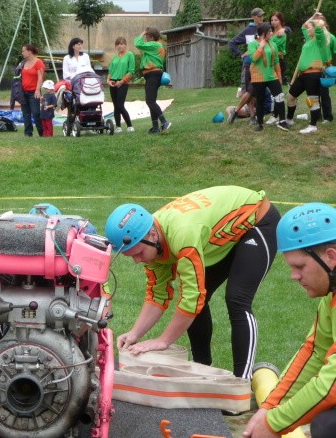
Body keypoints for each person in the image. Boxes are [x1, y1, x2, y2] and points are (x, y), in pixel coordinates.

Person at [105, 186, 280, 379]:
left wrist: (164, 340)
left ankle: (242, 383)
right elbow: (157, 295)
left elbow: (192, 296)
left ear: (153, 235)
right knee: (199, 300)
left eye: (138, 254)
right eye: (131, 257)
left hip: (256, 221)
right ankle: (202, 371)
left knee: (236, 299)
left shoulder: (182, 234)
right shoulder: (150, 241)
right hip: (218, 236)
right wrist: (134, 333)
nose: (137, 261)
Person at [243, 203, 336, 438]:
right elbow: (315, 352)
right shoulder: (331, 299)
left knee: (328, 425)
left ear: (331, 257)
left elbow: (333, 383)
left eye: (299, 266)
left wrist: (274, 424)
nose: (294, 276)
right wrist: (268, 407)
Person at [285, 17, 329, 134]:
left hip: (314, 74)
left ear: (315, 29)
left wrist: (318, 21)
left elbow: (319, 28)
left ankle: (313, 126)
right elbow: (303, 25)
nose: (308, 29)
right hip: (303, 75)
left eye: (310, 28)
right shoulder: (309, 40)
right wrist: (313, 17)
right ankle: (289, 120)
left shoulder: (320, 40)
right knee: (290, 97)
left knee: (313, 101)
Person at [245, 22, 288, 131]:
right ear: (264, 33)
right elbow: (254, 59)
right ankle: (260, 123)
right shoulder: (253, 44)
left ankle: (282, 121)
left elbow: (277, 61)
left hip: (272, 76)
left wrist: (279, 76)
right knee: (260, 100)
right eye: (269, 31)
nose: (272, 33)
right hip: (258, 77)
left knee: (279, 97)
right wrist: (261, 46)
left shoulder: (273, 44)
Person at [228, 8, 265, 121]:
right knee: (249, 90)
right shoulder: (247, 31)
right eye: (259, 16)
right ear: (253, 17)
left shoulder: (265, 28)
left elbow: (283, 28)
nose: (262, 18)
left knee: (254, 91)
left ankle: (237, 110)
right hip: (249, 63)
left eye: (262, 16)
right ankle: (252, 117)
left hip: (261, 64)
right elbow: (232, 43)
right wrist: (241, 54)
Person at [134, 27, 171, 133]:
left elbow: (137, 43)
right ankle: (155, 127)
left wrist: (142, 32)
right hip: (154, 75)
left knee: (149, 101)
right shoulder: (157, 46)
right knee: (152, 101)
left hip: (152, 74)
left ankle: (164, 122)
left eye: (147, 36)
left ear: (152, 37)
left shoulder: (154, 44)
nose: (145, 38)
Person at [107, 36, 135, 133]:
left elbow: (131, 71)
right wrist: (108, 80)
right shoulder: (114, 57)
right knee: (115, 106)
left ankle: (129, 125)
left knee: (120, 105)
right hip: (113, 82)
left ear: (125, 45)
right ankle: (118, 126)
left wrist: (122, 81)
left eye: (122, 44)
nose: (120, 46)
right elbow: (110, 71)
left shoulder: (129, 55)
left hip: (123, 82)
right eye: (118, 44)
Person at [20, 43, 45, 137]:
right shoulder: (23, 63)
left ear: (29, 51)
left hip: (33, 92)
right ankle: (28, 133)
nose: (22, 53)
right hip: (23, 92)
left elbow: (40, 77)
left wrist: (37, 90)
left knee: (36, 113)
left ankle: (42, 132)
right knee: (25, 113)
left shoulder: (38, 62)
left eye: (23, 51)